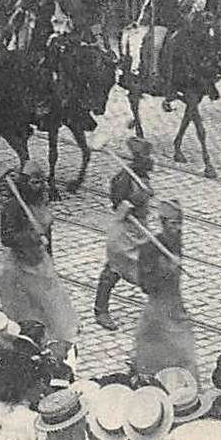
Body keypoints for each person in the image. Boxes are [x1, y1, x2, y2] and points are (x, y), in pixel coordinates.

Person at [0, 162, 78, 348]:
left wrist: (49, 256)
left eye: (42, 182)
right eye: (35, 182)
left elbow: (47, 230)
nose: (41, 186)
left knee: (49, 299)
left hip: (40, 260)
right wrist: (30, 236)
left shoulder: (41, 201)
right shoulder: (12, 207)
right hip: (20, 263)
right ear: (25, 184)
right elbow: (6, 238)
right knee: (24, 303)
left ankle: (51, 332)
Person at [95, 137, 154, 330]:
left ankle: (158, 311)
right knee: (114, 269)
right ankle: (100, 310)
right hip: (124, 231)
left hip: (140, 229)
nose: (149, 161)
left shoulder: (142, 177)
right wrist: (136, 199)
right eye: (144, 157)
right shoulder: (124, 178)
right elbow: (118, 206)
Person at [132, 199, 196, 378]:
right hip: (158, 310)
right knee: (158, 353)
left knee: (182, 349)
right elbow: (146, 285)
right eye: (174, 224)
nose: (178, 228)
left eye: (180, 223)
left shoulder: (176, 241)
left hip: (175, 305)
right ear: (163, 223)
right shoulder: (150, 248)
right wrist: (165, 269)